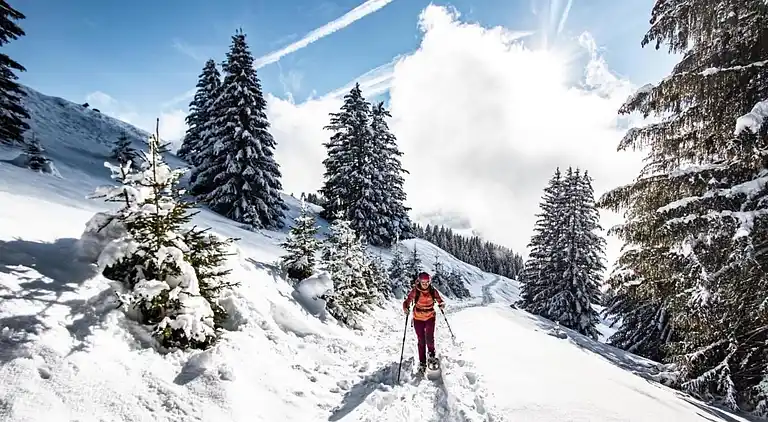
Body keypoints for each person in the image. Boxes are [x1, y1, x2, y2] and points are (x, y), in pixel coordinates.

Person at [402, 271, 445, 372]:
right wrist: (405, 307)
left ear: (429, 282)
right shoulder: (415, 291)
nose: (425, 284)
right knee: (421, 340)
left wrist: (441, 304)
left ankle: (431, 355)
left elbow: (439, 300)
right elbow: (407, 301)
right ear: (419, 281)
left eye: (427, 282)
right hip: (418, 318)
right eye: (423, 282)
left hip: (430, 316)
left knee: (429, 337)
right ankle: (422, 361)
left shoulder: (432, 291)